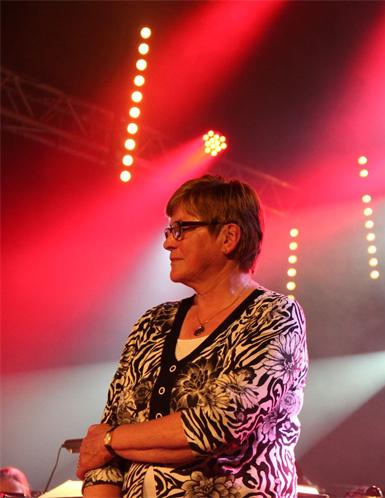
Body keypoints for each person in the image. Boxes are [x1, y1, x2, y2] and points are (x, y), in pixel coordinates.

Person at [77, 175, 308, 497]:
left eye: (182, 229)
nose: (168, 243)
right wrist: (107, 443)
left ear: (228, 237)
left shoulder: (274, 315)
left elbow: (219, 425)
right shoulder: (153, 323)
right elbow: (101, 455)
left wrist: (111, 439)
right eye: (169, 231)